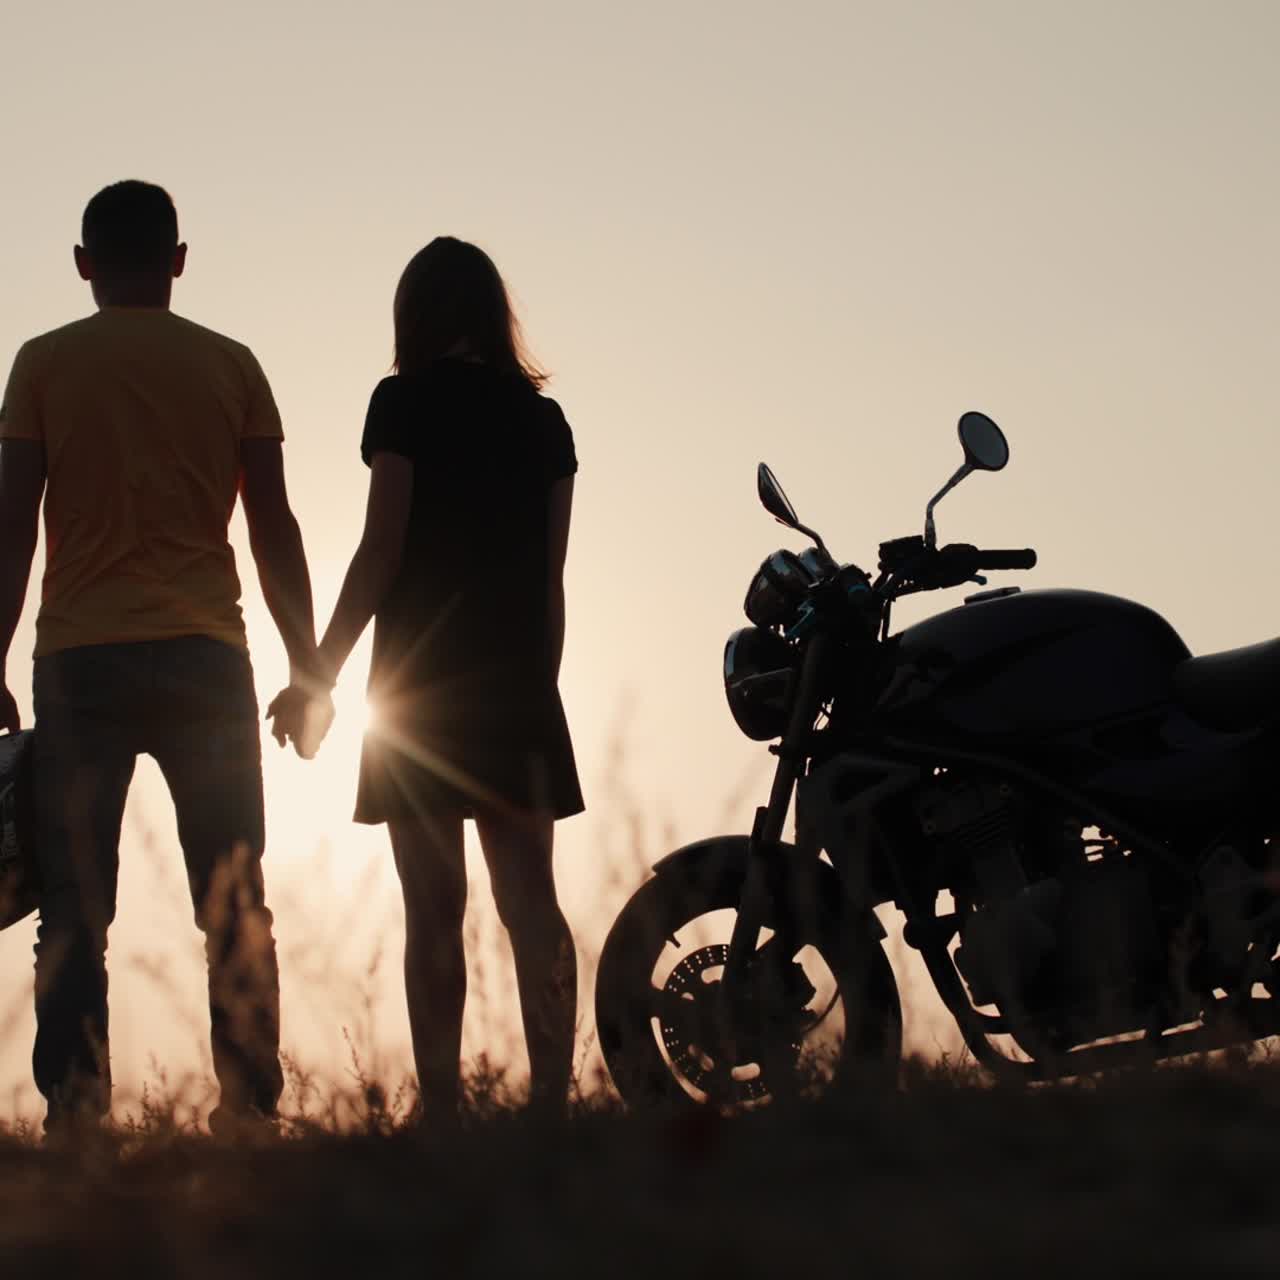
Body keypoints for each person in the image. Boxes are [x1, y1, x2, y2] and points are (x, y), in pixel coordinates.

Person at [0, 180, 322, 1135]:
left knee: (73, 906)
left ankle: (78, 1113)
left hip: (78, 665)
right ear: (179, 260)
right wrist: (309, 669)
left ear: (83, 265)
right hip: (205, 657)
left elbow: (12, 528)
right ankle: (251, 1113)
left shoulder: (42, 364)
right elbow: (274, 529)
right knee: (234, 897)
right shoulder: (233, 366)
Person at [269, 236, 583, 1120]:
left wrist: (320, 675)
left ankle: (442, 1106)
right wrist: (540, 688)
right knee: (533, 905)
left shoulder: (402, 404)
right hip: (520, 684)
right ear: (492, 314)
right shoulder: (544, 422)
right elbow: (550, 579)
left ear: (413, 316)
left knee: (433, 910)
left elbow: (382, 550)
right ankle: (554, 1100)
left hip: (420, 691)